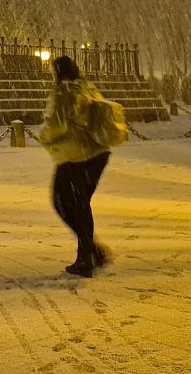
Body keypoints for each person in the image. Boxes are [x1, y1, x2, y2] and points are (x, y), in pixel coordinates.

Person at [38, 55, 128, 278]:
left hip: (77, 157)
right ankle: (88, 256)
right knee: (80, 205)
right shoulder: (87, 87)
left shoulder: (65, 91)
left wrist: (44, 136)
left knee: (61, 203)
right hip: (97, 154)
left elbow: (58, 124)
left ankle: (91, 252)